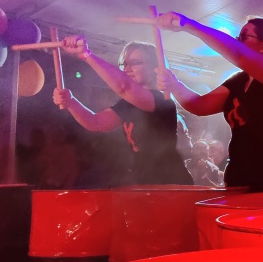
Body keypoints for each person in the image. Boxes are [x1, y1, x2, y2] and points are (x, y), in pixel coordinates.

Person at [153, 13, 263, 193]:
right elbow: (199, 105)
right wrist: (174, 84)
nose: (238, 40)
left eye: (245, 36)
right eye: (239, 36)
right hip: (239, 178)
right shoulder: (238, 81)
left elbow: (238, 54)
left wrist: (189, 25)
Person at [54, 37, 192, 186]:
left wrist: (85, 54)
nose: (127, 68)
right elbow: (96, 122)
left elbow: (123, 87)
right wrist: (71, 102)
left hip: (170, 182)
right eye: (124, 64)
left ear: (155, 67)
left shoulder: (161, 99)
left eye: (135, 62)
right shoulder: (128, 104)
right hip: (147, 183)